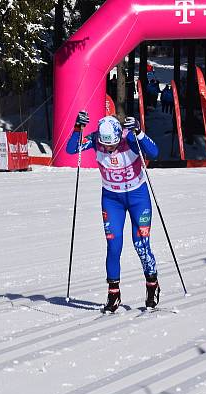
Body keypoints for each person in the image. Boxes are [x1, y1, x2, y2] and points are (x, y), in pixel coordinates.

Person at [66, 111, 161, 313]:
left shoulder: (129, 138)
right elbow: (71, 149)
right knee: (113, 245)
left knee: (141, 244)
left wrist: (139, 132)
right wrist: (77, 128)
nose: (108, 148)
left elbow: (154, 153)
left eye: (113, 144)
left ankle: (152, 285)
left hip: (138, 198)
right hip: (112, 199)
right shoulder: (95, 139)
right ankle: (113, 293)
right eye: (105, 144)